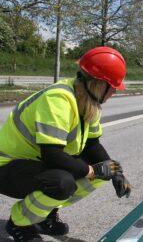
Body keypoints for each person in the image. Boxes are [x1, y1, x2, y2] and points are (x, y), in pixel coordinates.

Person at [0, 46, 132, 242]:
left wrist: (115, 172)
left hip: (34, 163)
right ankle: (19, 223)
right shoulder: (58, 99)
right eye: (112, 86)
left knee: (104, 170)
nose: (114, 91)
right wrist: (90, 170)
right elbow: (52, 155)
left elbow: (91, 144)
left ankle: (43, 216)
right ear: (99, 84)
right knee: (62, 183)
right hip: (8, 167)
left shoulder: (88, 101)